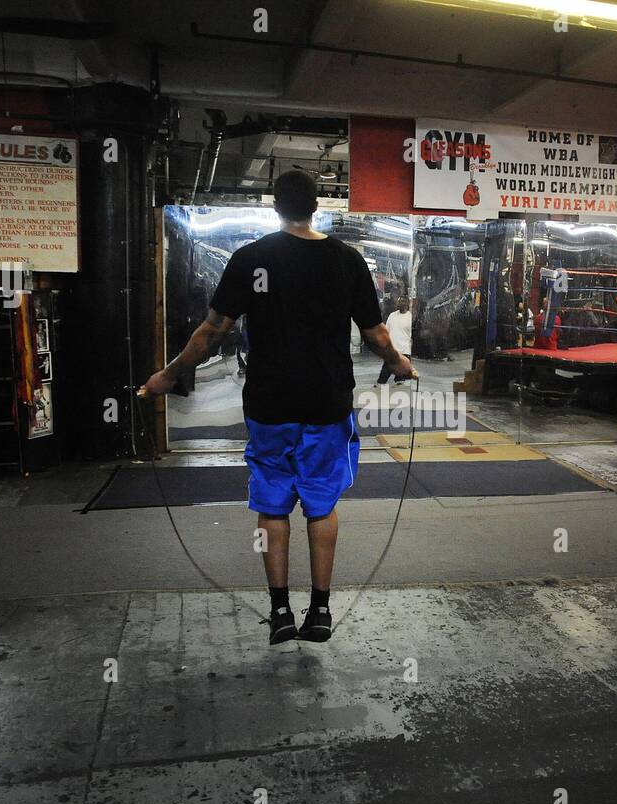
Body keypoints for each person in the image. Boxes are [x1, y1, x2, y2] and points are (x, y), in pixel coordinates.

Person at [139, 170, 415, 645]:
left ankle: (281, 611)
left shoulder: (252, 259)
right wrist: (399, 362)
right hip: (326, 403)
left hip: (269, 404)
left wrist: (169, 374)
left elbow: (212, 332)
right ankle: (322, 612)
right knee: (321, 505)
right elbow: (376, 334)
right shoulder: (347, 260)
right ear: (317, 205)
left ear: (275, 205)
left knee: (272, 506)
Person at [377, 296, 413, 385]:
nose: (401, 303)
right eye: (399, 301)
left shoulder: (411, 317)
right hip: (392, 349)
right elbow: (386, 330)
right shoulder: (392, 315)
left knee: (400, 379)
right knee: (385, 372)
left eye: (403, 302)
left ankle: (399, 386)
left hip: (405, 350)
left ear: (408, 304)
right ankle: (380, 385)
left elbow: (413, 335)